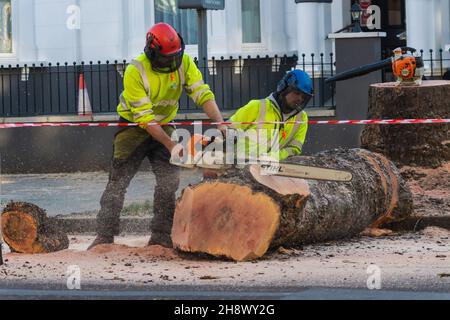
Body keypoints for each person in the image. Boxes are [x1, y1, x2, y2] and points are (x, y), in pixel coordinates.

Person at [89, 23, 226, 249]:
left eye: (174, 58)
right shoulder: (135, 70)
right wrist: (172, 145)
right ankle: (104, 235)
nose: (171, 63)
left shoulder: (184, 63)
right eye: (166, 59)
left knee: (169, 180)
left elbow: (203, 94)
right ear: (152, 52)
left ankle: (161, 236)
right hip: (133, 127)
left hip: (164, 123)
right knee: (118, 181)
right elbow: (145, 118)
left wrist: (220, 124)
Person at [228, 69, 313, 162]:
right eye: (296, 93)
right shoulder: (257, 106)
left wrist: (273, 157)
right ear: (284, 89)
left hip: (272, 167)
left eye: (304, 97)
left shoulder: (301, 118)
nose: (299, 99)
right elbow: (229, 129)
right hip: (241, 164)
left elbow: (294, 148)